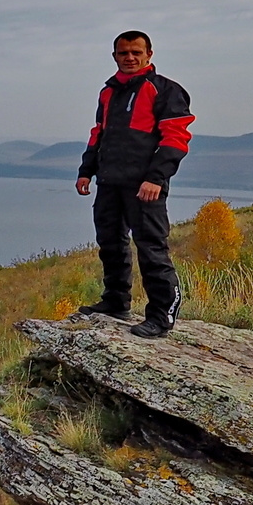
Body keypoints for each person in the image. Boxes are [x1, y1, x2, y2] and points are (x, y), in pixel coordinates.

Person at [74, 31, 194, 337]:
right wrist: (86, 170)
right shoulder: (108, 92)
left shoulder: (165, 90)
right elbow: (98, 133)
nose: (129, 57)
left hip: (145, 185)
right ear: (115, 56)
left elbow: (176, 138)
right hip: (110, 181)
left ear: (149, 55)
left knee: (152, 249)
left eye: (136, 52)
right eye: (123, 52)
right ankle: (116, 301)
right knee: (110, 243)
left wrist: (156, 177)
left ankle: (161, 316)